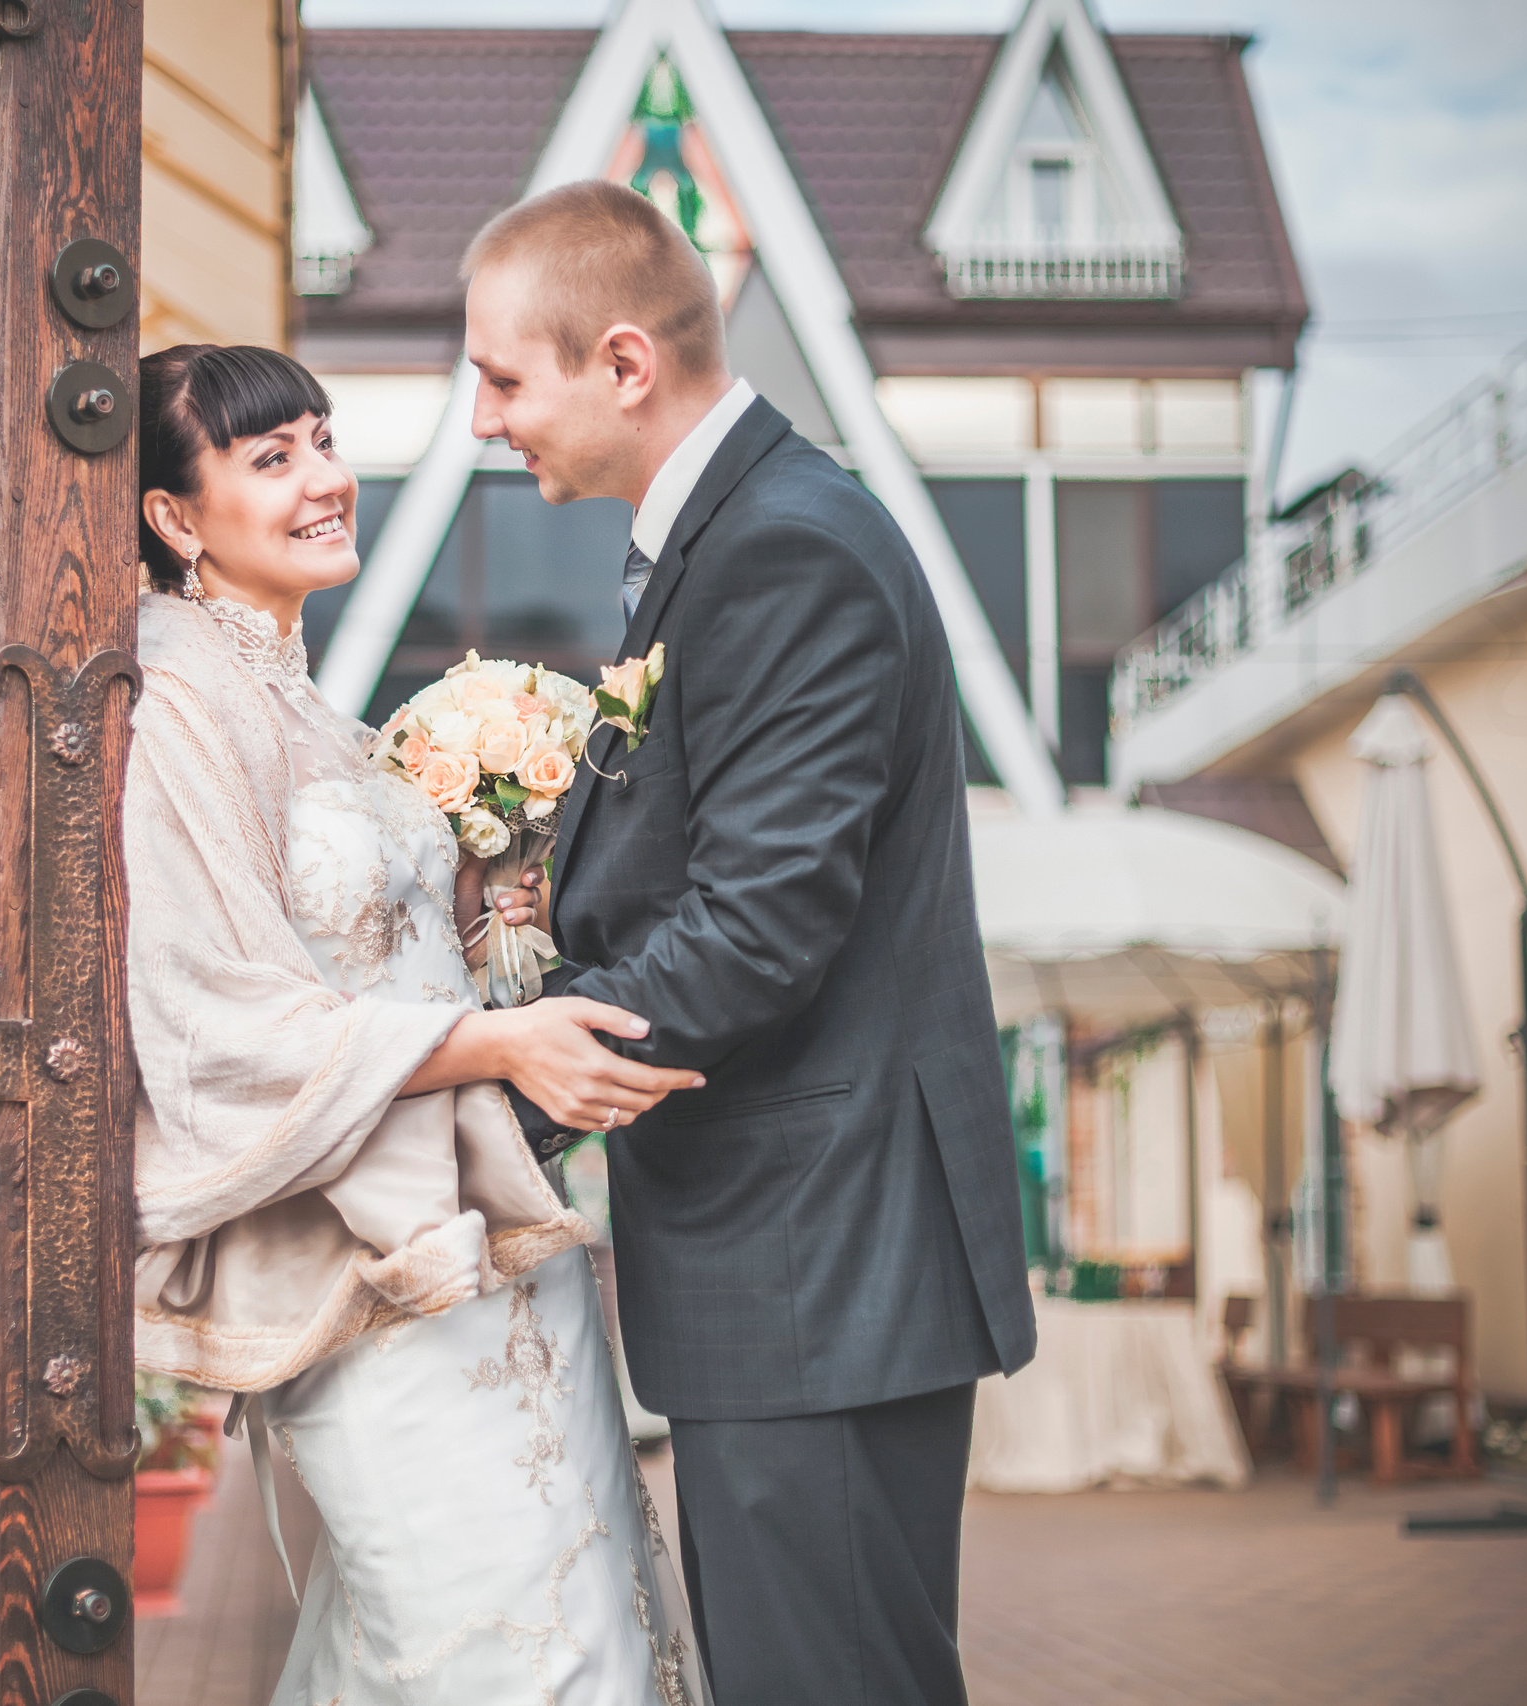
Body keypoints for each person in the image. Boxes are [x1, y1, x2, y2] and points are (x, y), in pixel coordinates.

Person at [469, 181, 1037, 1705]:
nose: (481, 420)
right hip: (791, 1267)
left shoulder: (786, 549)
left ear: (626, 364)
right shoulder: (736, 538)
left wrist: (492, 1096)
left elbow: (760, 923)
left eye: (505, 377)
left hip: (821, 1263)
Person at [124, 341, 711, 1706]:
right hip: (367, 1272)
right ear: (172, 515)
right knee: (487, 1644)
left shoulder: (317, 711)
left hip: (496, 1244)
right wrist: (502, 1047)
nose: (325, 479)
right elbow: (218, 1021)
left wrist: (488, 911)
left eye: (324, 440)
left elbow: (391, 970)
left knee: (584, 1607)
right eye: (271, 459)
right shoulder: (172, 701)